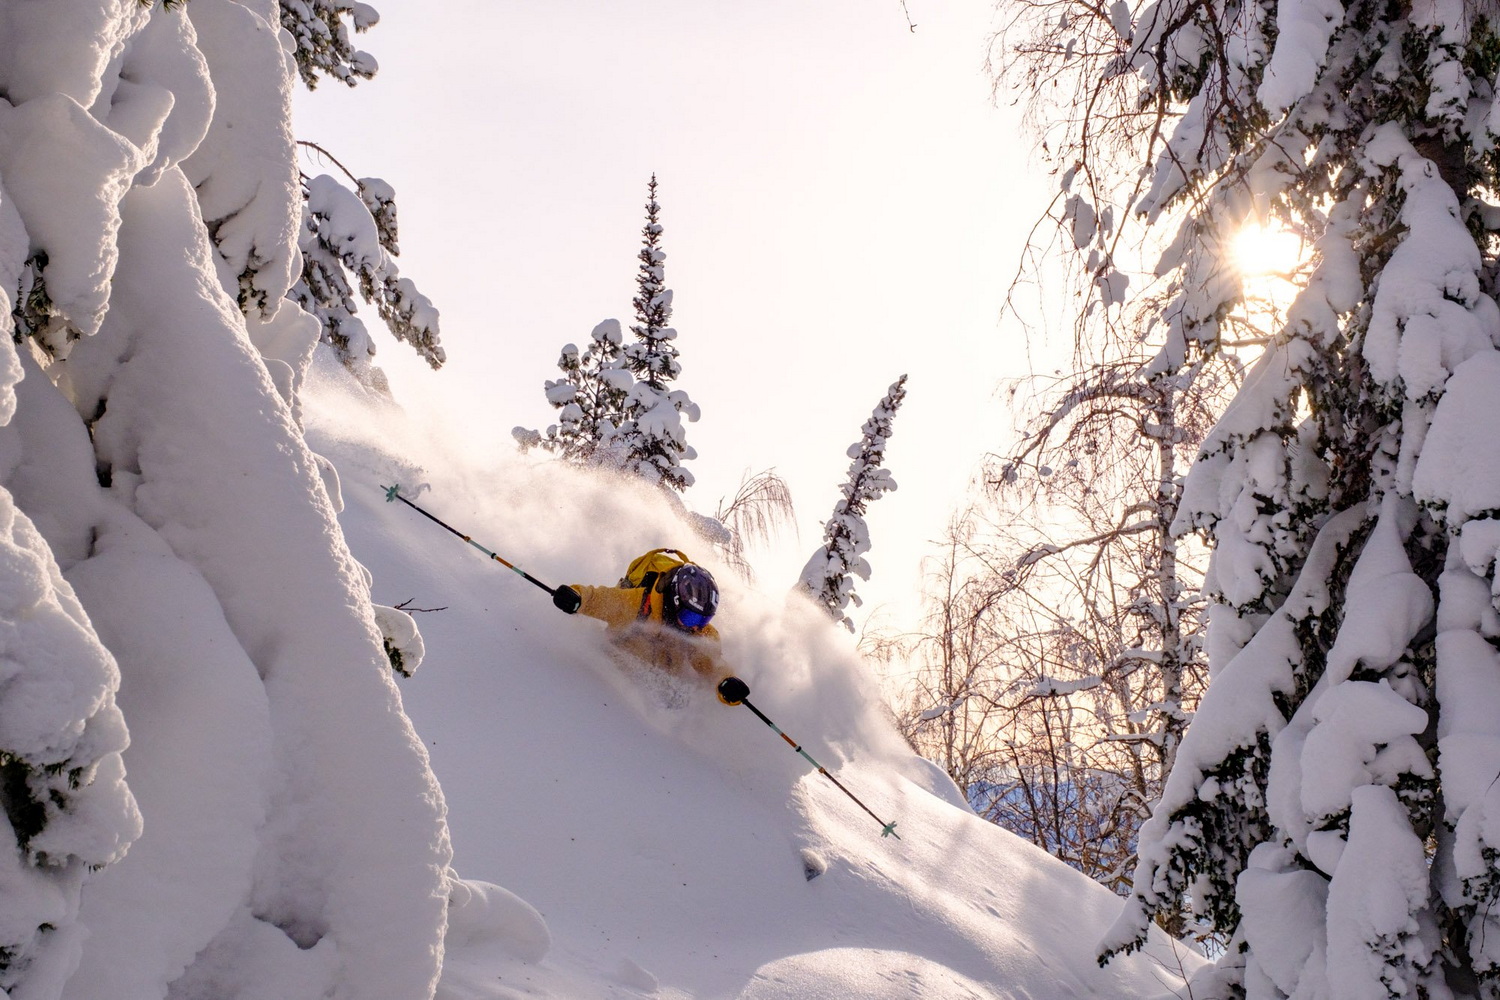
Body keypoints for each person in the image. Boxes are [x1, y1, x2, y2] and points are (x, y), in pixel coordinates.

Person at [553, 561, 750, 705]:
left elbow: (711, 664)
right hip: (616, 681)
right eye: (692, 617)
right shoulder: (635, 604)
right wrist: (576, 598)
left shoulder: (698, 632)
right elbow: (597, 598)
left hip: (664, 687)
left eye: (704, 620)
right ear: (675, 601)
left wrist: (726, 682)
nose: (697, 627)